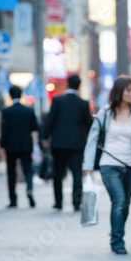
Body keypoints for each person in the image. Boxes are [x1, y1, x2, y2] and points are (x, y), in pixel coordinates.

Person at [83, 75, 131, 255]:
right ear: (119, 91)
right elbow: (92, 141)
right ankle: (117, 241)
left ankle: (116, 233)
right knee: (120, 202)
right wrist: (88, 165)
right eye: (129, 90)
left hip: (130, 166)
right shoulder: (105, 113)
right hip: (109, 165)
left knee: (125, 204)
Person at [42, 74, 92, 211]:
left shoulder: (57, 100)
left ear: (67, 84)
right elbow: (89, 124)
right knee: (76, 173)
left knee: (58, 173)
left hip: (59, 143)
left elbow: (50, 121)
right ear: (79, 86)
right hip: (77, 143)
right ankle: (77, 203)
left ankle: (58, 202)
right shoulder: (83, 103)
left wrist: (44, 137)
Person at [0, 85, 39, 208]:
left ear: (10, 96)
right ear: (21, 95)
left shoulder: (6, 111)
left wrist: (2, 145)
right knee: (28, 170)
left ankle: (13, 199)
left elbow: (4, 130)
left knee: (11, 172)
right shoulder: (28, 110)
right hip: (25, 145)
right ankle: (29, 189)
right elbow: (35, 128)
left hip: (11, 146)